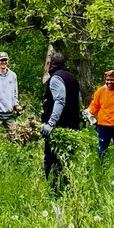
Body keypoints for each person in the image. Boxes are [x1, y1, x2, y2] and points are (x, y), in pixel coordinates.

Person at [41, 52, 82, 193]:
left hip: (59, 128)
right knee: (67, 160)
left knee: (52, 161)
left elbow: (60, 101)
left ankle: (54, 190)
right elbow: (79, 101)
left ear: (51, 65)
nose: (46, 66)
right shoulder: (72, 78)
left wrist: (51, 124)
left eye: (47, 63)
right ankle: (67, 188)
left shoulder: (56, 78)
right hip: (72, 126)